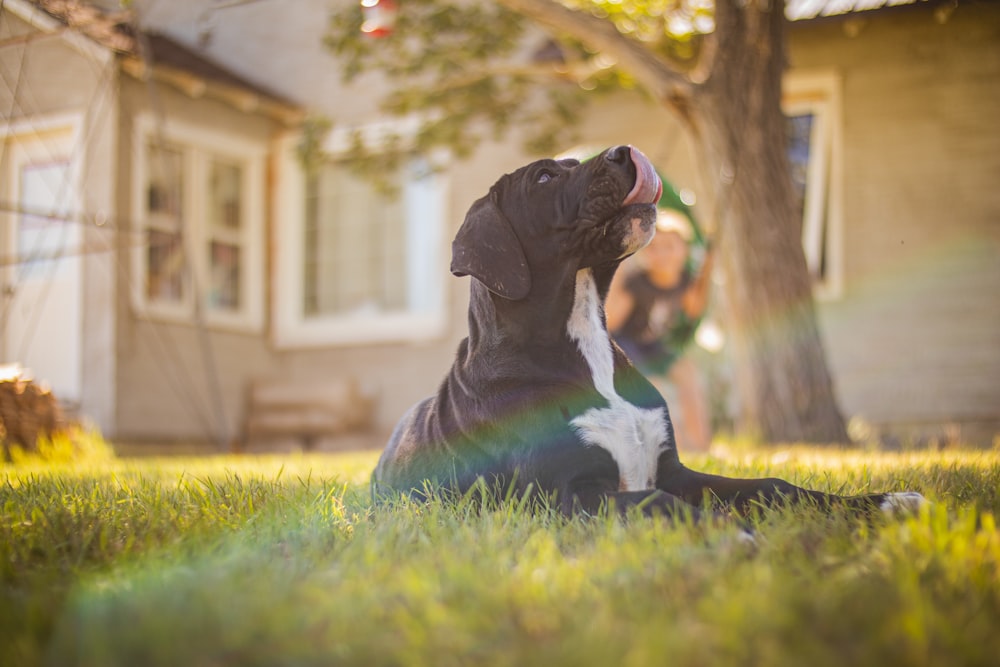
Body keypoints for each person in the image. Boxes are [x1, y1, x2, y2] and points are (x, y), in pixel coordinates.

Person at [606, 205, 715, 453]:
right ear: (644, 253)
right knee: (654, 388)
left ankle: (701, 446)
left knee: (688, 376)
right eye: (653, 248)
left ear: (685, 251)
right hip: (630, 346)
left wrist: (708, 266)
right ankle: (672, 448)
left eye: (669, 247)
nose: (662, 254)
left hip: (656, 345)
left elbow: (693, 310)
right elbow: (611, 322)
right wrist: (620, 264)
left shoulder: (686, 280)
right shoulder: (637, 283)